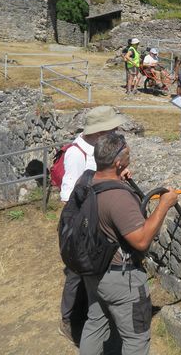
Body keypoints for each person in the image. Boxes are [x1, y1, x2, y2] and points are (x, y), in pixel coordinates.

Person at [78, 132, 180, 355]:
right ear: (117, 162)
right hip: (121, 279)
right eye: (127, 156)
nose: (130, 159)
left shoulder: (87, 181)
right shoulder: (118, 198)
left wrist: (117, 177)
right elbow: (141, 240)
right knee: (136, 338)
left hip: (93, 269)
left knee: (96, 322)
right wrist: (165, 204)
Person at [59, 106, 128, 346]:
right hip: (83, 226)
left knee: (91, 274)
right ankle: (68, 320)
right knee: (76, 274)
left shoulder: (96, 149)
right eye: (112, 129)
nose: (117, 132)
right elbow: (70, 197)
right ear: (100, 133)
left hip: (95, 224)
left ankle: (92, 316)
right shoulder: (77, 154)